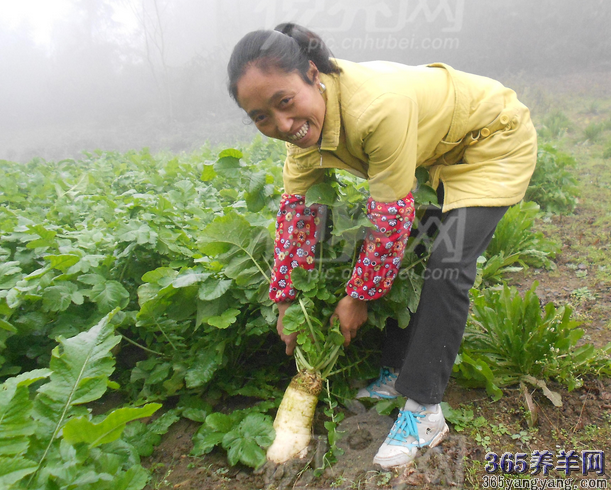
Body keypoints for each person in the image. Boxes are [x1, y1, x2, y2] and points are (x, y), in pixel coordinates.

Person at [226, 23, 537, 468]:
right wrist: (285, 301)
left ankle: (424, 411)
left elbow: (389, 223)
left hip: (493, 141)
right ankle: (394, 372)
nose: (282, 125)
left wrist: (357, 298)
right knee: (406, 255)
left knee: (447, 266)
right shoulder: (300, 138)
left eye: (285, 103)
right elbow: (295, 219)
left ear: (312, 73)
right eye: (261, 117)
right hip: (436, 155)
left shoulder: (377, 108)